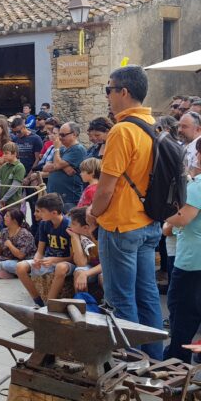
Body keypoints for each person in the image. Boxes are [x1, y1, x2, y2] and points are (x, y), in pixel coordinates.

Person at [86, 65, 163, 360]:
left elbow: (106, 188)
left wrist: (93, 213)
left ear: (124, 92)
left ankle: (130, 365)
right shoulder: (152, 127)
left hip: (121, 226)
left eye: (109, 90)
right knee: (148, 297)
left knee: (121, 300)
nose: (107, 96)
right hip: (148, 222)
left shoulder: (122, 130)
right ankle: (154, 362)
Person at [162, 140, 201, 362]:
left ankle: (177, 358)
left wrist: (160, 214)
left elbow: (183, 218)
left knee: (182, 312)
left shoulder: (198, 185)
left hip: (192, 260)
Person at [16, 193, 73, 306]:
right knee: (20, 267)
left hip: (63, 261)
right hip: (47, 260)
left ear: (54, 213)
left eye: (42, 211)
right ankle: (38, 301)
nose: (38, 214)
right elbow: (40, 250)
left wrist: (53, 260)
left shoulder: (69, 226)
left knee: (60, 269)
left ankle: (49, 305)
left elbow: (72, 258)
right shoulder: (43, 224)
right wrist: (37, 259)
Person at [44, 122, 86, 208]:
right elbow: (46, 167)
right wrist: (64, 166)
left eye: (63, 135)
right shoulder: (62, 149)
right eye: (59, 134)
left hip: (69, 199)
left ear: (74, 135)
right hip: (54, 198)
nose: (59, 138)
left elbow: (56, 164)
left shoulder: (78, 149)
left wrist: (56, 149)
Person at [68, 207, 102, 293]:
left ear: (86, 228)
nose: (69, 226)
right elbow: (81, 263)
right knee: (79, 272)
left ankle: (109, 304)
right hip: (91, 267)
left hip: (105, 268)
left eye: (73, 224)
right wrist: (75, 238)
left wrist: (86, 273)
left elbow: (107, 264)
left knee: (103, 277)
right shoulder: (75, 235)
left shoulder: (99, 237)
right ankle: (83, 303)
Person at [0, 142, 25, 209]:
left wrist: (4, 199)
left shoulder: (19, 167)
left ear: (14, 154)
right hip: (1, 200)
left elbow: (15, 186)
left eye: (6, 153)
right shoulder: (3, 166)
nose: (4, 155)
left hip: (13, 202)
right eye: (3, 153)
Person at [178, 111, 201, 177]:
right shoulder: (184, 144)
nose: (179, 130)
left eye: (184, 127)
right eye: (179, 126)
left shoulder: (199, 149)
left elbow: (196, 178)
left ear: (198, 129)